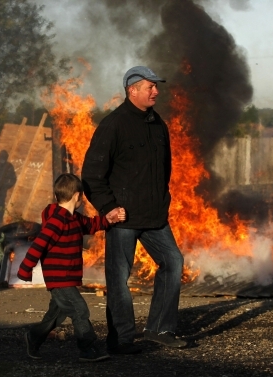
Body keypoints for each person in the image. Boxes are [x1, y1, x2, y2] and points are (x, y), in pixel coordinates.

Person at [81, 66, 187, 354]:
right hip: (123, 218)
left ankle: (160, 329)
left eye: (156, 86)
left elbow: (165, 166)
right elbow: (91, 174)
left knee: (173, 263)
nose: (156, 91)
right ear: (132, 90)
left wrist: (162, 199)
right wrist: (109, 208)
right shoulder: (113, 125)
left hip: (154, 216)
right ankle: (121, 339)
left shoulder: (157, 123)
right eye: (150, 86)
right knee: (118, 279)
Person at [17, 173, 125, 362]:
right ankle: (87, 348)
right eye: (82, 197)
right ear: (77, 196)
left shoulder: (74, 218)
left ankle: (34, 337)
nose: (82, 200)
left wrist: (109, 219)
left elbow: (91, 224)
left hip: (67, 277)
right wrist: (25, 269)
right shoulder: (57, 221)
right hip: (59, 278)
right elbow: (39, 244)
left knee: (56, 315)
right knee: (79, 309)